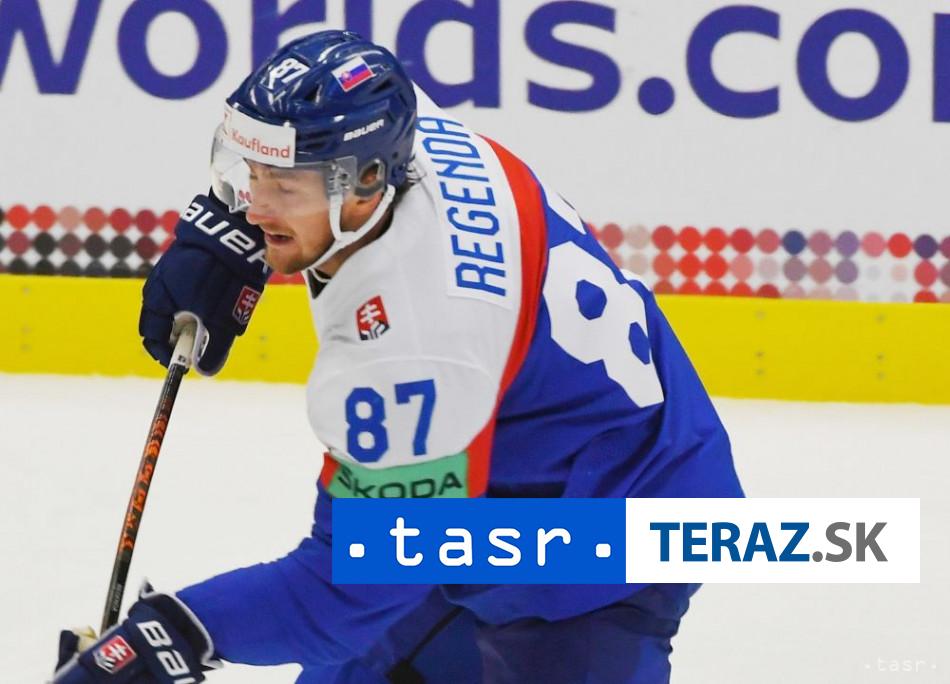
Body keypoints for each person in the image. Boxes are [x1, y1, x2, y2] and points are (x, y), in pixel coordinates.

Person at [52, 30, 744, 684]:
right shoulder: (394, 130)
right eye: (250, 172)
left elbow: (336, 596)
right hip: (507, 482)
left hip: (604, 546)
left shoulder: (413, 343)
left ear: (366, 184)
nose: (256, 204)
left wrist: (176, 633)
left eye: (282, 189)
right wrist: (225, 231)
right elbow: (312, 124)